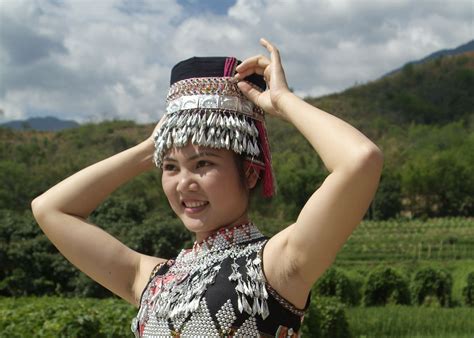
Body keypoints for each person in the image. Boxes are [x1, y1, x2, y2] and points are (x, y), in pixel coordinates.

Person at [31, 38, 383, 337]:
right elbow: (50, 209)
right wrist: (150, 147)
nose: (184, 183)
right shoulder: (152, 279)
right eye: (170, 167)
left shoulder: (276, 266)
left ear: (250, 174)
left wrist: (282, 102)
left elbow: (360, 160)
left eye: (204, 164)